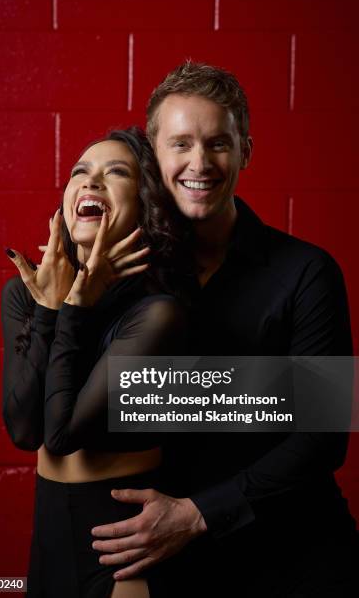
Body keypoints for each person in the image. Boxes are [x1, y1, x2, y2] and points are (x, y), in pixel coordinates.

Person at [90, 63, 359, 596]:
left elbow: (324, 437)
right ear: (154, 156)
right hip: (170, 568)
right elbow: (84, 412)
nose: (200, 162)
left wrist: (196, 513)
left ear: (245, 153)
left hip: (297, 561)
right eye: (181, 143)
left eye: (218, 144)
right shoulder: (125, 276)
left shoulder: (308, 272)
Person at [1, 127, 194, 597]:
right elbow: (25, 431)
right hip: (48, 529)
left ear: (144, 202)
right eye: (80, 173)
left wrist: (71, 311)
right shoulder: (23, 295)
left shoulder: (156, 312)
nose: (90, 183)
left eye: (116, 173)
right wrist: (49, 309)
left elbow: (64, 435)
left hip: (120, 541)